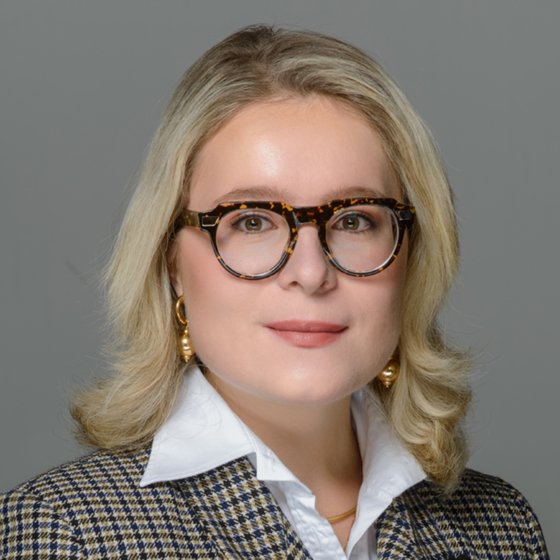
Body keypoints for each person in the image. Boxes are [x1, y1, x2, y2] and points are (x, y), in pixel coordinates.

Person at [0, 25, 548, 560]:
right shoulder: (63, 534)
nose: (310, 273)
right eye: (252, 221)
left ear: (412, 256)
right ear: (171, 263)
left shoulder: (502, 528)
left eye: (355, 220)